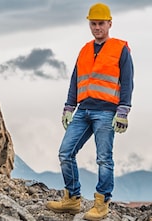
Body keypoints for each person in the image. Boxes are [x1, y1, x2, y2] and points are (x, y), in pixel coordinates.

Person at [45, 2, 134, 221]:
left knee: (104, 159)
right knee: (65, 153)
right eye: (93, 24)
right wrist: (69, 106)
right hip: (82, 111)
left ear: (109, 24)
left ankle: (101, 203)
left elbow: (127, 81)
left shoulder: (120, 49)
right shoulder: (84, 50)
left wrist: (123, 111)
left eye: (101, 23)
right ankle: (72, 199)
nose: (97, 28)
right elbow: (75, 80)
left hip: (106, 112)